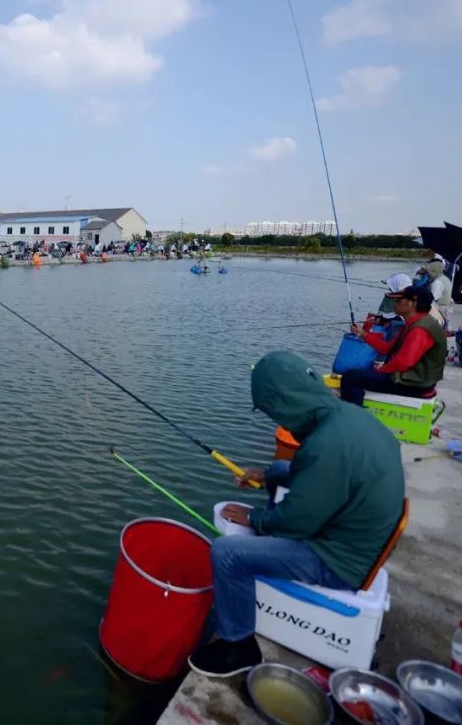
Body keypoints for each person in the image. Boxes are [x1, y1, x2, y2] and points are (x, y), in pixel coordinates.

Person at [188, 350, 404, 676]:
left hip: (338, 562)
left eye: (274, 413)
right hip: (358, 535)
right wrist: (268, 476)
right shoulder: (347, 417)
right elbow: (320, 474)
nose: (279, 422)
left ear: (284, 403)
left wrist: (255, 519)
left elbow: (294, 524)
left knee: (227, 552)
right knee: (279, 467)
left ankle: (238, 646)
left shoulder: (326, 444)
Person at [340, 285, 446, 407]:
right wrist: (363, 334)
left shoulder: (419, 329)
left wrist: (380, 370)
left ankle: (354, 417)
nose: (394, 303)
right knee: (360, 372)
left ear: (413, 303)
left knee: (351, 377)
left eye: (398, 301)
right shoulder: (413, 323)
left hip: (415, 385)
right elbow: (388, 348)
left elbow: (403, 362)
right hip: (413, 378)